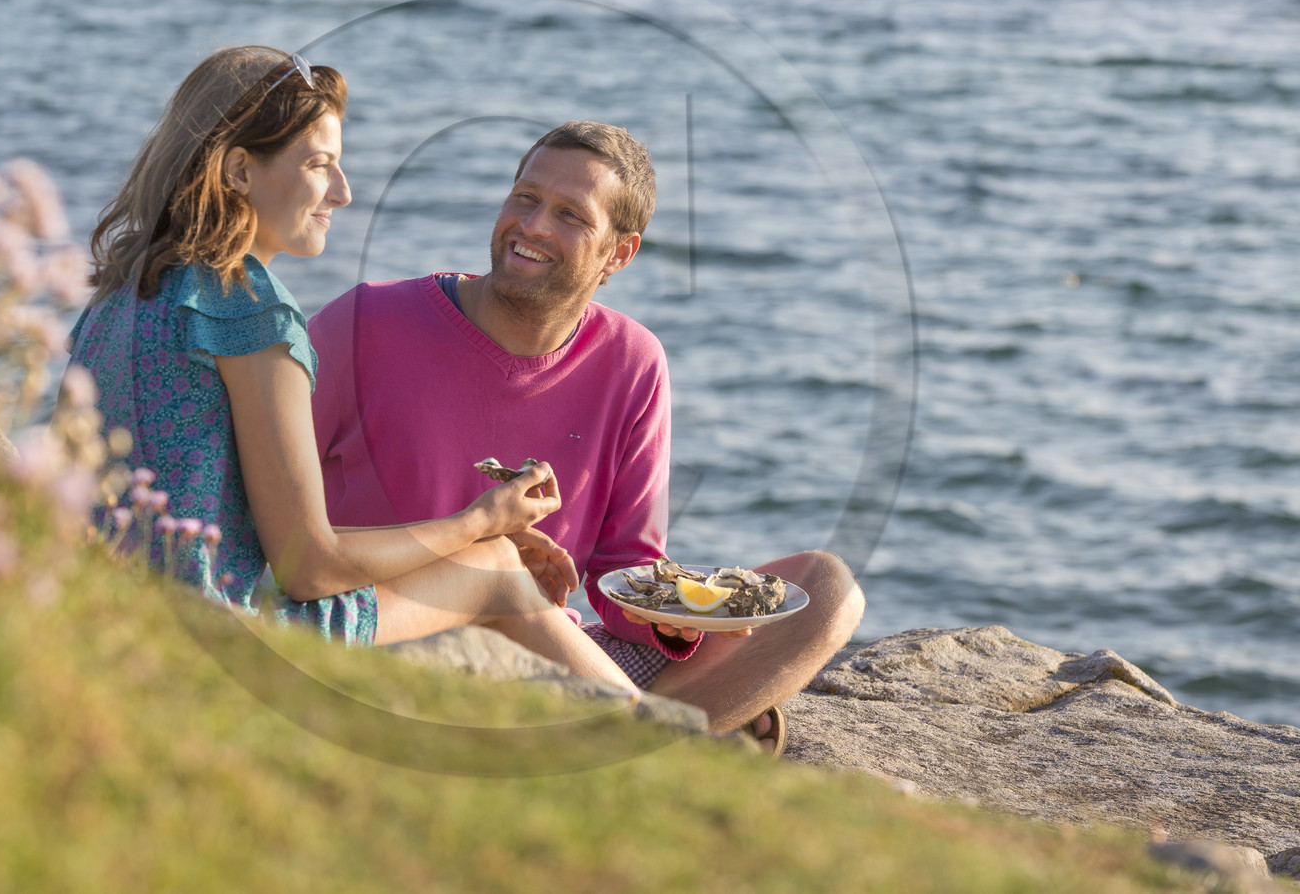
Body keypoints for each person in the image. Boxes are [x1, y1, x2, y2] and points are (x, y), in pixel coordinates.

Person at [67, 48, 638, 695]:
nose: (342, 191)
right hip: (226, 639)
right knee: (501, 569)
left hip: (117, 613)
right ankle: (673, 747)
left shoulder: (119, 295)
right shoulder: (253, 311)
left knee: (481, 556)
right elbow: (308, 567)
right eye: (319, 165)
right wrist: (482, 522)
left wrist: (460, 537)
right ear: (239, 172)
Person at [308, 120, 865, 744]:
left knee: (825, 589)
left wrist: (666, 622)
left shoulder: (633, 361)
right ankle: (672, 741)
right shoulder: (364, 324)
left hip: (552, 643)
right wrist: (465, 551)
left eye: (571, 215)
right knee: (495, 574)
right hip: (386, 632)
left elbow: (625, 567)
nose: (534, 226)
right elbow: (275, 526)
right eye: (525, 197)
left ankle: (635, 725)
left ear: (619, 254)